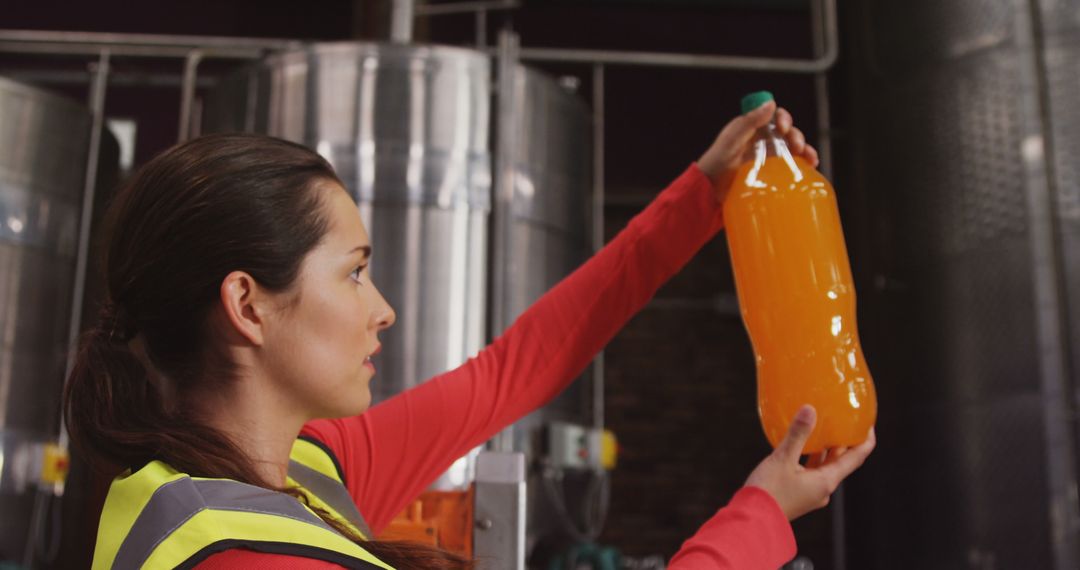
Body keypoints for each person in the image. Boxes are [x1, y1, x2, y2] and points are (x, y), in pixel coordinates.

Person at [64, 100, 874, 570]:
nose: (382, 309)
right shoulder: (237, 554)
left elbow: (513, 369)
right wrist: (761, 516)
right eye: (353, 273)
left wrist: (707, 190)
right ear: (247, 305)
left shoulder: (300, 469)